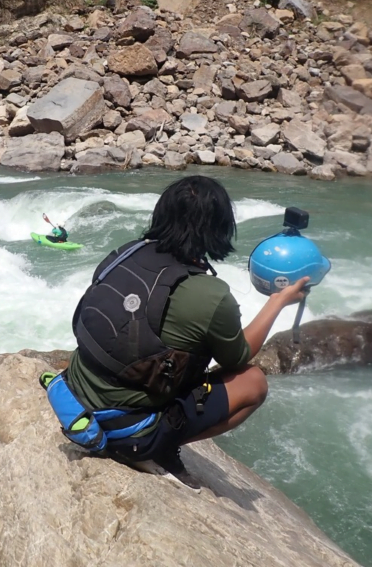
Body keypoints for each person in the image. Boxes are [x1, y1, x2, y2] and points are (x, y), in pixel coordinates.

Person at [62, 175, 309, 491]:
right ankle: (156, 446)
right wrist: (278, 302)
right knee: (254, 382)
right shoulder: (209, 294)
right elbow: (238, 359)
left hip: (77, 391)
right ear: (218, 228)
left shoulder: (125, 253)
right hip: (125, 428)